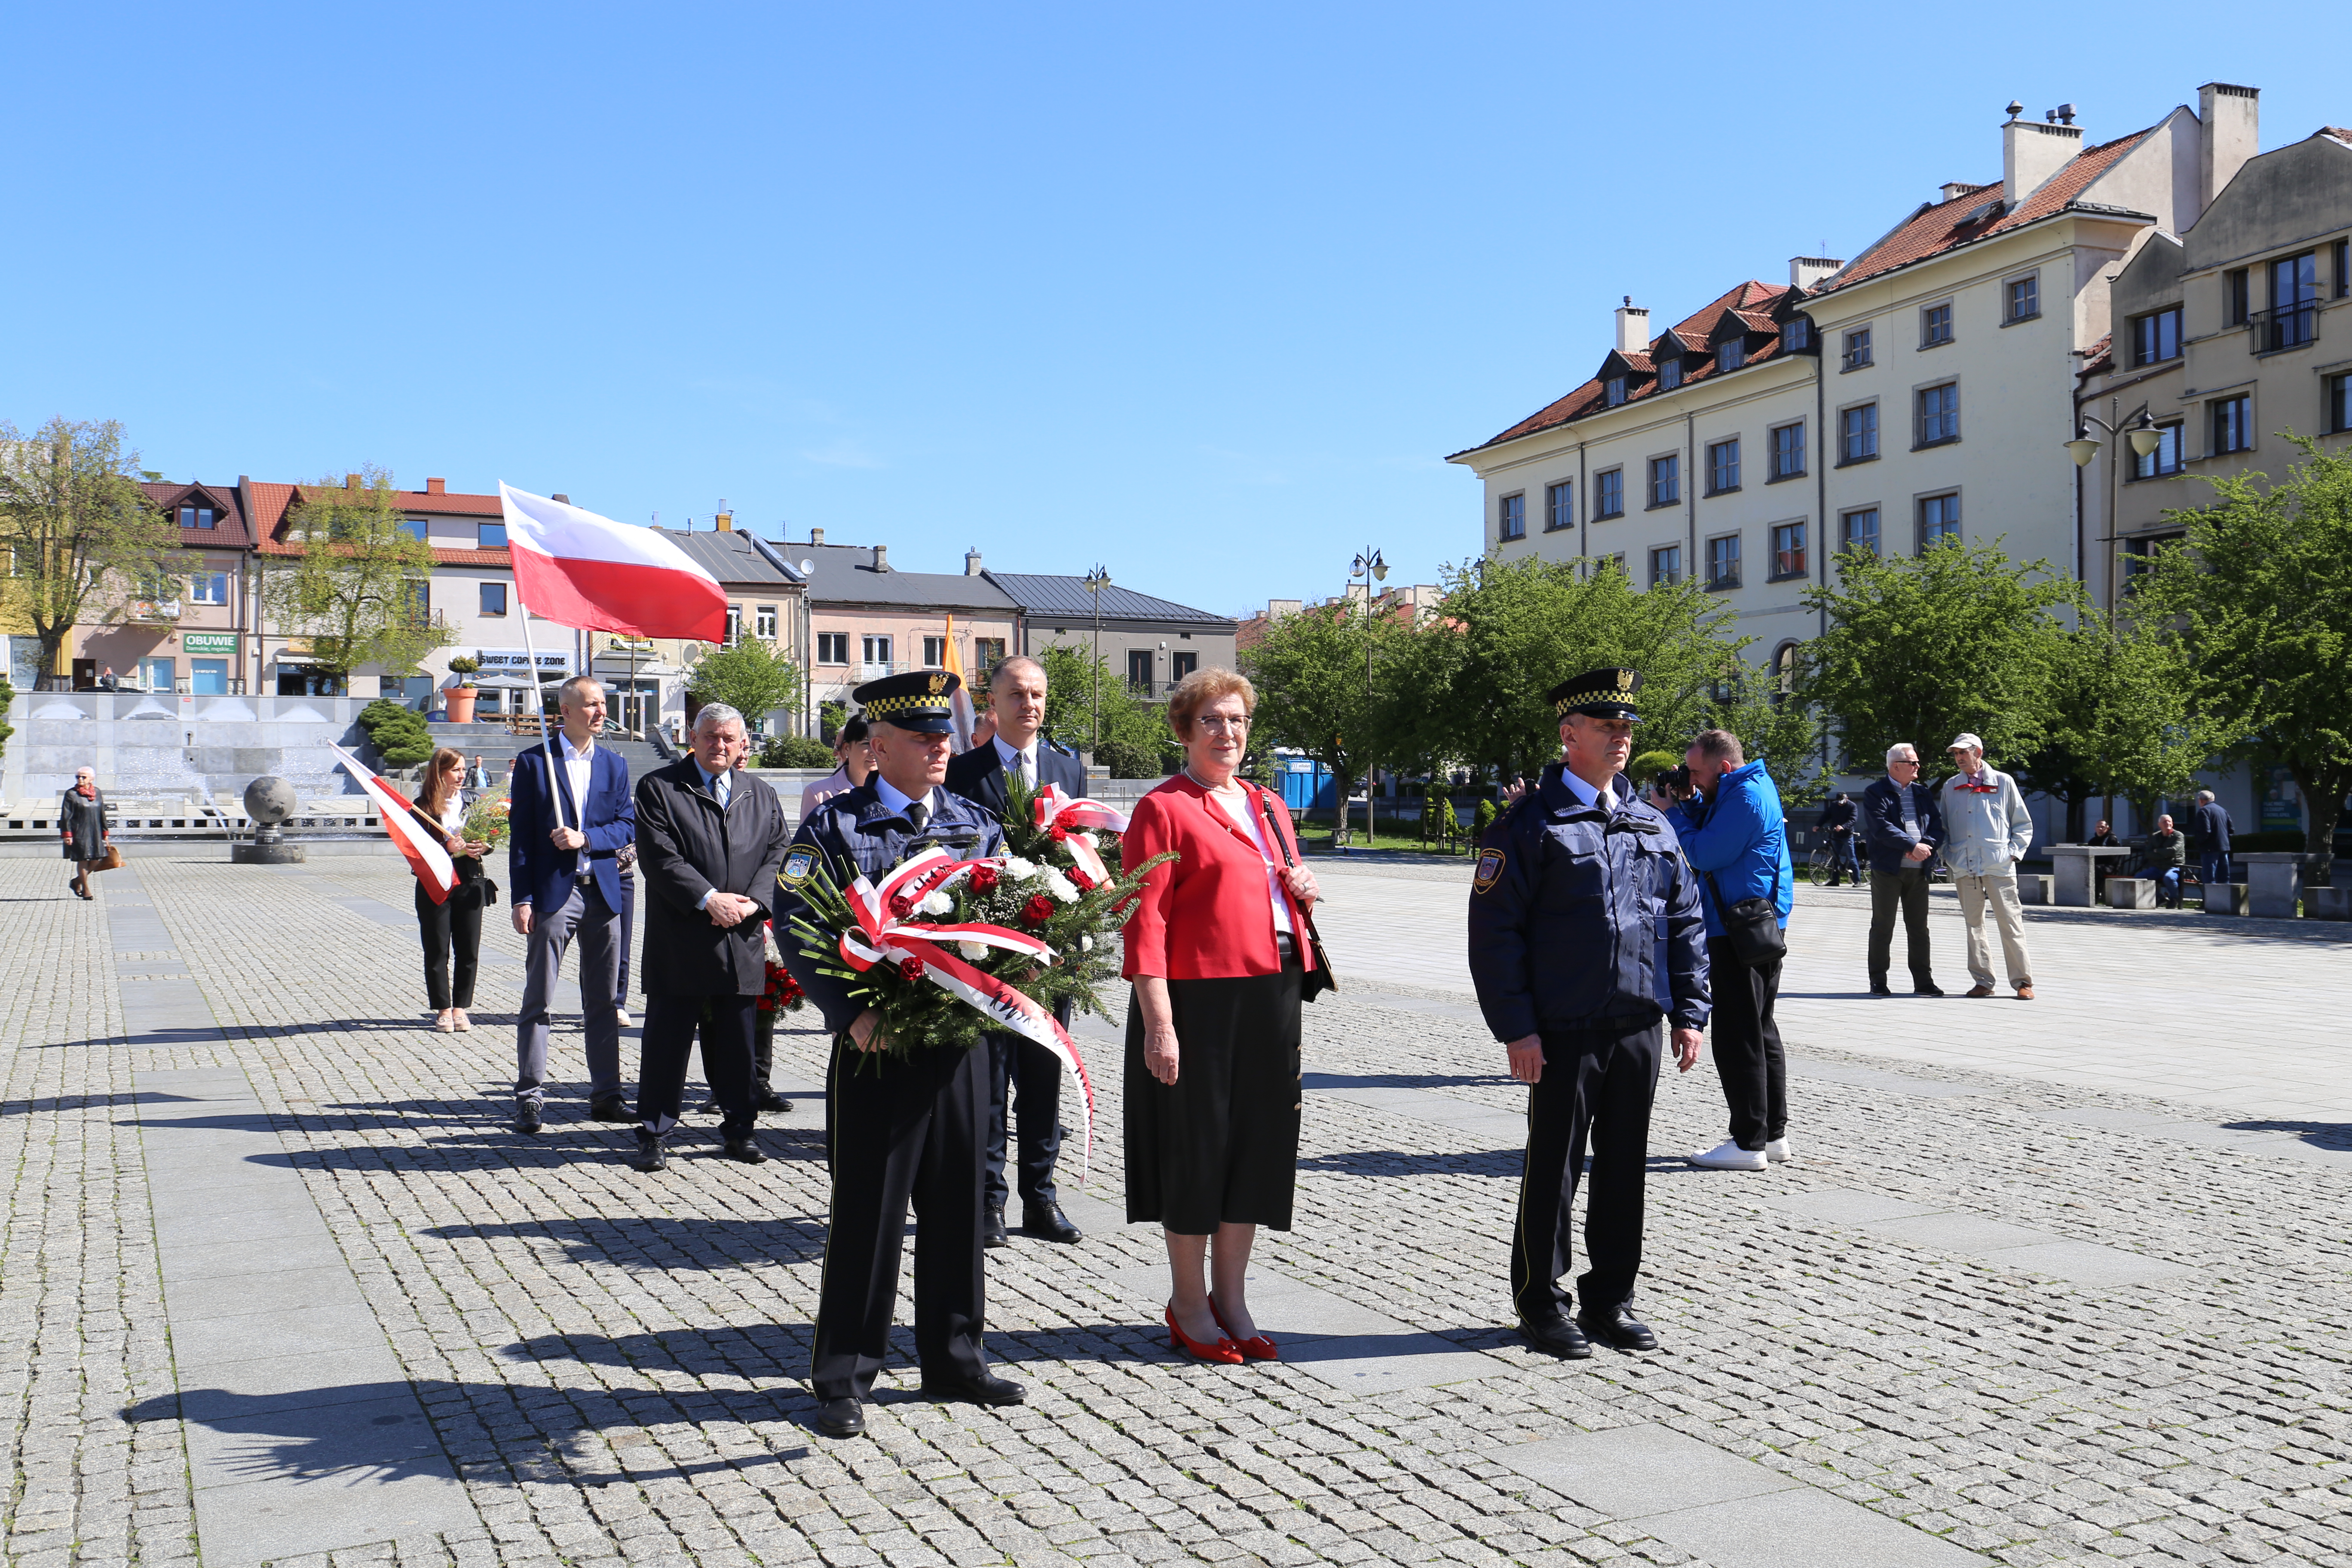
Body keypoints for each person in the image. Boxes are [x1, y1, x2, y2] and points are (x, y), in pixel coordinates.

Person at [776, 670, 1019, 1439]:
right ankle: (843, 1377)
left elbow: (1016, 909)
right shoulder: (834, 829)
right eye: (923, 736)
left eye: (944, 733)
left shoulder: (976, 822)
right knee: (869, 1217)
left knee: (956, 1210)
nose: (941, 745)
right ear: (879, 748)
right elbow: (797, 926)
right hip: (877, 1047)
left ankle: (954, 1357)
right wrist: (848, 1013)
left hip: (959, 1046)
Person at [1469, 667, 1708, 1361]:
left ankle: (1611, 1297)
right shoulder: (1525, 825)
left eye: (1627, 727)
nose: (1622, 738)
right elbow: (1494, 933)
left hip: (1637, 1023)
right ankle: (1541, 1299)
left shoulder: (1649, 821)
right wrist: (1516, 1026)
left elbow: (1686, 918)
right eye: (1608, 727)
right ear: (1569, 734)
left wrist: (1690, 1012)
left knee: (1625, 1166)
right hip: (1563, 1027)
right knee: (1555, 1165)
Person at [1121, 667, 1323, 1367]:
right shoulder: (1163, 808)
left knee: (1255, 1151)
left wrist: (1301, 887)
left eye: (1236, 720)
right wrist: (1159, 1022)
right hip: (1196, 1000)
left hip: (1272, 992)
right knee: (1196, 1151)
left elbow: (1275, 890)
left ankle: (1231, 1298)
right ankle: (1187, 1301)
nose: (1226, 732)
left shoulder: (1269, 804)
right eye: (1211, 719)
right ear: (1184, 728)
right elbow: (1143, 924)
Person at [945, 655, 1088, 1247]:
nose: (1030, 705)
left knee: (1043, 1079)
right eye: (1017, 695)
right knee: (989, 1079)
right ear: (993, 703)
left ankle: (1042, 1198)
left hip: (1051, 955)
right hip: (989, 956)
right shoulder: (963, 771)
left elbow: (1082, 851)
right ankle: (986, 1202)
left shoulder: (1066, 768)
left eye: (1037, 695)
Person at [628, 702, 792, 1171]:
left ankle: (740, 1129)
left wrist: (755, 902)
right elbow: (659, 857)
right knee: (667, 1041)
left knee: (739, 1042)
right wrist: (707, 898)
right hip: (682, 935)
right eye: (711, 737)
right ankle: (654, 1132)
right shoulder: (660, 788)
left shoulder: (759, 792)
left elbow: (780, 851)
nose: (719, 745)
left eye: (729, 738)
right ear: (692, 740)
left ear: (744, 744)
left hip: (740, 934)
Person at [508, 676, 637, 1133]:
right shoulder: (534, 763)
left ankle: (607, 1095)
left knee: (604, 1000)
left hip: (603, 891)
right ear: (565, 711)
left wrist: (587, 838)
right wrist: (522, 898)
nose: (601, 712)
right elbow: (520, 838)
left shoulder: (614, 765)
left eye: (603, 704)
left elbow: (627, 825)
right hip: (553, 894)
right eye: (591, 705)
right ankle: (529, 1095)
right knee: (539, 996)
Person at [1666, 730, 1795, 1173]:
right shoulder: (1744, 788)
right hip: (1752, 925)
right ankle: (1772, 1135)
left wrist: (1671, 815)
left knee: (1738, 1036)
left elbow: (1704, 852)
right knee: (1761, 1032)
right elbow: (1715, 825)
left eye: (1697, 772)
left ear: (1723, 767)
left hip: (1736, 928)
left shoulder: (1746, 797)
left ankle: (1748, 1142)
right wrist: (1689, 803)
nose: (1692, 779)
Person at [1938, 733, 2037, 1000]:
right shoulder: (1950, 786)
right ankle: (1983, 981)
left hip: (1999, 867)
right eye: (1956, 754)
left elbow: (2022, 824)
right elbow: (1943, 827)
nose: (1959, 758)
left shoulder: (2003, 782)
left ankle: (2023, 982)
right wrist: (1948, 856)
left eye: (1963, 753)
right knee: (1974, 926)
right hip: (1964, 867)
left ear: (1978, 753)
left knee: (2011, 924)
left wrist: (2013, 854)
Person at [410, 747, 492, 1032]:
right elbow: (415, 851)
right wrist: (446, 848)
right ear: (440, 772)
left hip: (471, 882)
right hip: (436, 884)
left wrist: (485, 846)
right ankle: (443, 1009)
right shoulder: (422, 806)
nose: (461, 775)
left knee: (468, 948)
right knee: (437, 949)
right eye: (455, 770)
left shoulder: (472, 801)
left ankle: (461, 1008)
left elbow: (490, 836)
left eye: (463, 769)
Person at [1861, 744, 1944, 998]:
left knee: (1919, 927)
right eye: (1913, 763)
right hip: (1888, 869)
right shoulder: (1876, 792)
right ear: (1896, 766)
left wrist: (1926, 846)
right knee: (1883, 925)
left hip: (1919, 871)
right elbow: (1881, 827)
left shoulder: (1922, 792)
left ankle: (1923, 981)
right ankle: (1878, 980)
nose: (1918, 767)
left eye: (1917, 763)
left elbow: (1936, 824)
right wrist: (1911, 845)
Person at [798, 715, 872, 823]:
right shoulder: (819, 793)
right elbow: (807, 838)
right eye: (866, 744)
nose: (875, 751)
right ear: (847, 748)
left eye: (881, 744)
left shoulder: (895, 789)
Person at [61, 767, 109, 900]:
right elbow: (66, 816)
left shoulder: (97, 792)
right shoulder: (71, 794)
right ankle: (86, 890)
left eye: (84, 777)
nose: (80, 779)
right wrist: (67, 834)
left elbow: (102, 813)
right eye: (78, 777)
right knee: (83, 860)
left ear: (91, 779)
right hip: (79, 832)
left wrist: (105, 832)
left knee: (96, 860)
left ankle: (76, 882)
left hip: (95, 831)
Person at [2191, 790, 2234, 895]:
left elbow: (2205, 831)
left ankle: (2210, 902)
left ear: (2201, 801)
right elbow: (2231, 829)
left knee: (2210, 878)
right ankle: (2225, 901)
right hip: (2223, 847)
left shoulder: (2204, 811)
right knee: (2224, 877)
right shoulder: (2222, 810)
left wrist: (2199, 843)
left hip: (2209, 849)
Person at [2144, 813, 2188, 909]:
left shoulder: (2178, 836)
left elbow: (2173, 851)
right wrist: (2164, 855)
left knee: (2169, 878)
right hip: (2158, 867)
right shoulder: (2155, 837)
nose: (2168, 823)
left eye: (2170, 821)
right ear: (2159, 825)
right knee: (2139, 879)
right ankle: (2160, 898)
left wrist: (2157, 851)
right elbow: (2148, 853)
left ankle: (2174, 899)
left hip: (2175, 866)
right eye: (2165, 822)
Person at [1817, 792, 1859, 886]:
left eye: (1842, 801)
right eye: (1839, 801)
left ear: (1847, 798)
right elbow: (1826, 816)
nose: (1840, 803)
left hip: (1847, 835)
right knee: (1835, 858)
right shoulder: (1834, 805)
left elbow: (1853, 820)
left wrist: (1843, 827)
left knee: (1851, 858)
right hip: (1836, 835)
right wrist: (1818, 825)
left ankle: (1857, 881)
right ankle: (1836, 881)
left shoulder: (1852, 806)